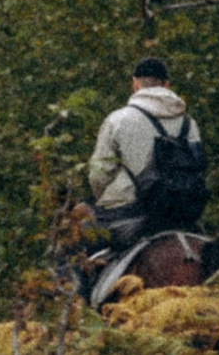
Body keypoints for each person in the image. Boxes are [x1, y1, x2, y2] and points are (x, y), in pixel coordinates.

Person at [86, 55, 207, 253]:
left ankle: (79, 284)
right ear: (166, 85)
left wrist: (104, 199)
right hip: (182, 213)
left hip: (128, 209)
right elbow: (198, 165)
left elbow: (99, 175)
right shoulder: (188, 122)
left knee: (76, 241)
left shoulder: (118, 120)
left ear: (135, 84)